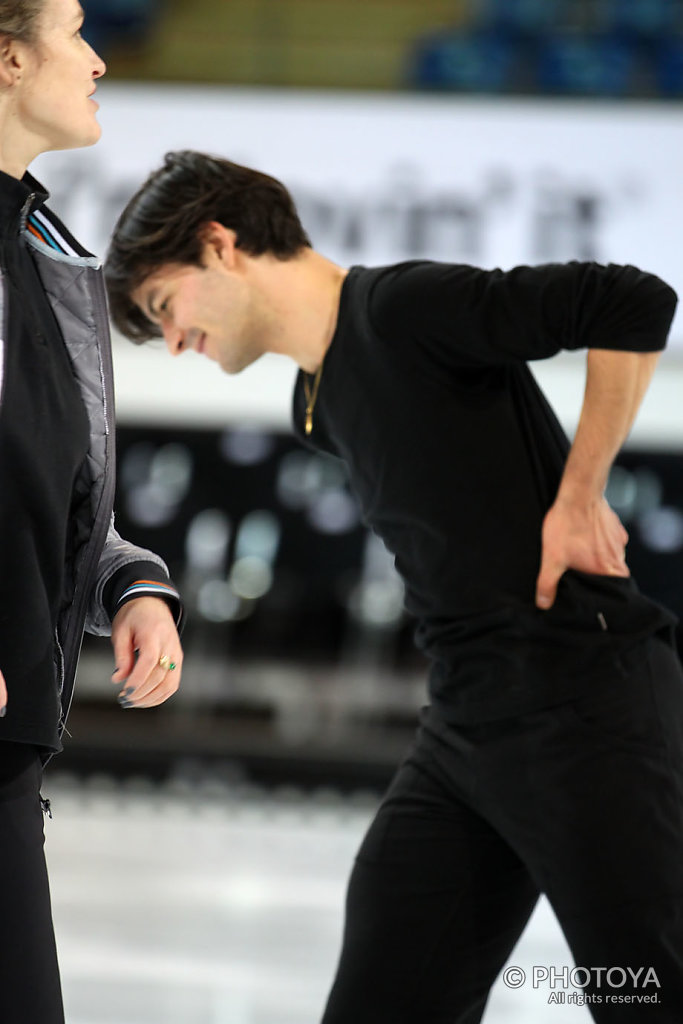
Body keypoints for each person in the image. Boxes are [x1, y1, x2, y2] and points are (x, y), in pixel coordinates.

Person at [105, 149, 683, 1023]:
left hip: (585, 706)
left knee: (643, 991)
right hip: (464, 728)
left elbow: (633, 299)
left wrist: (579, 491)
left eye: (164, 307)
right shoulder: (314, 403)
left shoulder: (403, 308)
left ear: (220, 245)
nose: (177, 342)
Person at [0, 4, 184, 1022]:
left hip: (12, 746)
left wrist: (128, 583)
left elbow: (44, 489)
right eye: (74, 29)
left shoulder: (43, 257)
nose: (100, 55)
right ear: (10, 56)